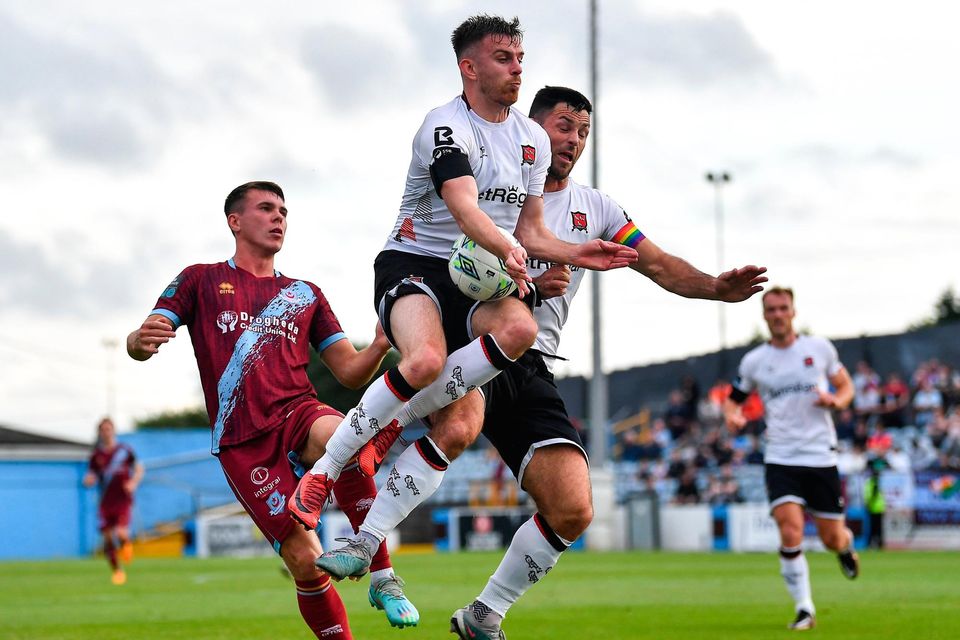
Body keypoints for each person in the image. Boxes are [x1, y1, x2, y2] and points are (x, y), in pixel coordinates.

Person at [316, 85, 767, 638]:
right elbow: (444, 255)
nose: (573, 140)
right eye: (563, 126)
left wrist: (714, 287)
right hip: (472, 335)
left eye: (582, 131)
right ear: (531, 129)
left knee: (573, 508)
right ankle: (364, 537)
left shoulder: (595, 209)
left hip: (532, 364)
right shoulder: (487, 182)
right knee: (461, 421)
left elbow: (659, 264)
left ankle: (484, 614)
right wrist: (519, 281)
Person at [287, 15, 637, 532]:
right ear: (468, 68)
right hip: (415, 263)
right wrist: (510, 251)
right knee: (426, 359)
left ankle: (392, 432)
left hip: (475, 271)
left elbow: (533, 229)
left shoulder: (531, 141)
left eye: (520, 58)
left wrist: (582, 252)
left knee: (520, 329)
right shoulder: (444, 126)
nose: (517, 69)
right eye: (503, 59)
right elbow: (464, 206)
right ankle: (325, 470)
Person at [125, 182, 417, 637]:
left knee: (347, 436)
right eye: (266, 208)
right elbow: (150, 331)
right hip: (243, 440)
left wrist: (380, 343)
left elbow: (349, 373)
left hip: (299, 412)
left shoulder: (306, 294)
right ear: (235, 221)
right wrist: (138, 341)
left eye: (283, 210)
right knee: (305, 561)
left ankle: (382, 577)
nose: (279, 217)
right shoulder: (200, 279)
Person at [724, 286, 859, 631]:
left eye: (783, 308)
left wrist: (837, 401)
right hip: (780, 456)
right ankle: (805, 608)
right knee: (790, 528)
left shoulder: (819, 349)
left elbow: (846, 387)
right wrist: (733, 416)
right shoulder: (755, 361)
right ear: (765, 315)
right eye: (772, 309)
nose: (778, 314)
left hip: (820, 456)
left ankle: (845, 547)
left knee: (832, 537)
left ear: (793, 312)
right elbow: (734, 398)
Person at [83, 417, 144, 585]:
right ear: (99, 433)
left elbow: (138, 468)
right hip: (105, 502)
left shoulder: (125, 450)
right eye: (103, 430)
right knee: (108, 539)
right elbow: (91, 474)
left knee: (121, 533)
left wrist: (133, 483)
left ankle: (126, 544)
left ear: (113, 431)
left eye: (108, 429)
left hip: (123, 500)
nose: (106, 432)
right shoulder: (96, 455)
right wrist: (88, 480)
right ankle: (117, 571)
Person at [864, 458, 886, 549]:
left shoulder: (871, 482)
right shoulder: (873, 483)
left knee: (875, 527)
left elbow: (869, 495)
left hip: (876, 507)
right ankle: (876, 544)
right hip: (875, 507)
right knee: (876, 528)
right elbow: (871, 495)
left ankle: (876, 544)